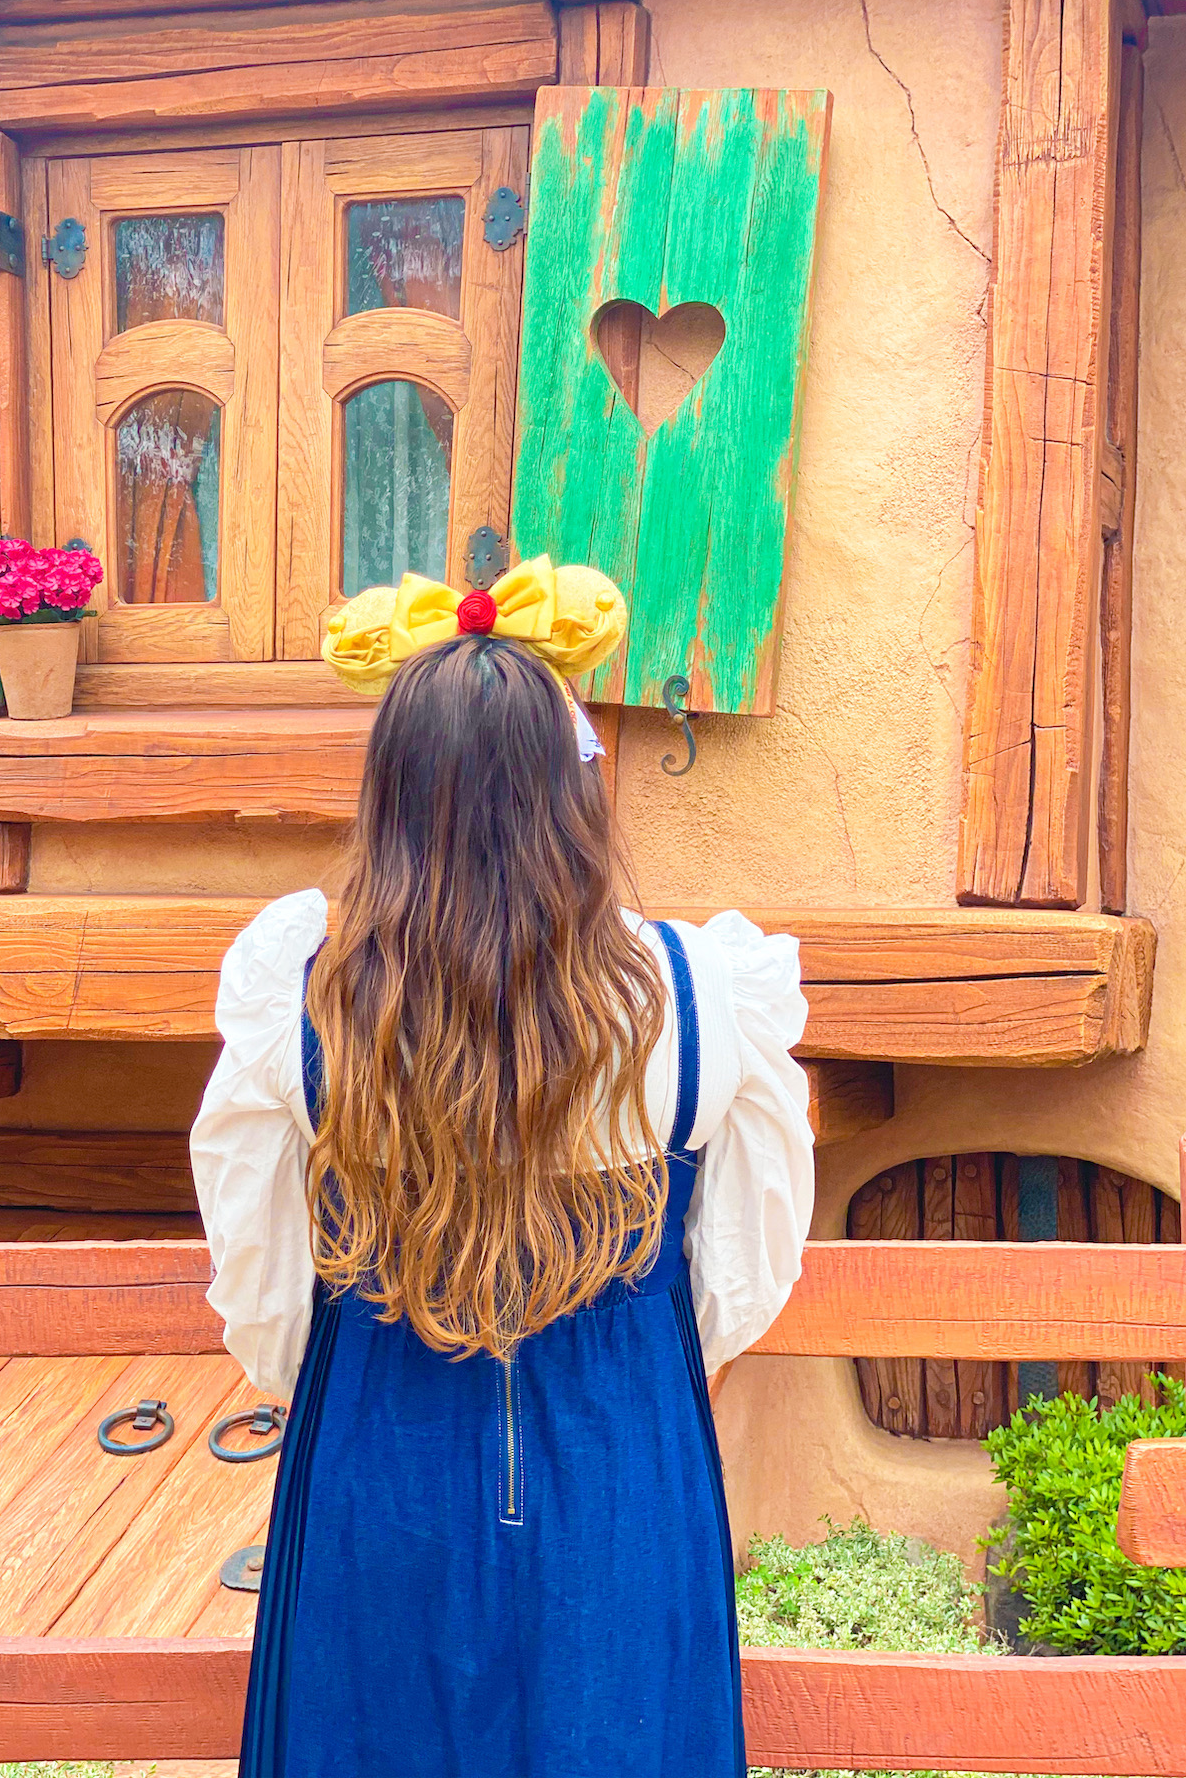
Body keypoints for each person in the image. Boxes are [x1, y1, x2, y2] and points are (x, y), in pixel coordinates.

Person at [191, 556, 814, 1778]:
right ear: (576, 794)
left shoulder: (299, 993)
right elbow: (740, 1285)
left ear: (388, 799)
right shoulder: (702, 998)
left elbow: (264, 1297)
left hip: (380, 1463)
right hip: (623, 1470)